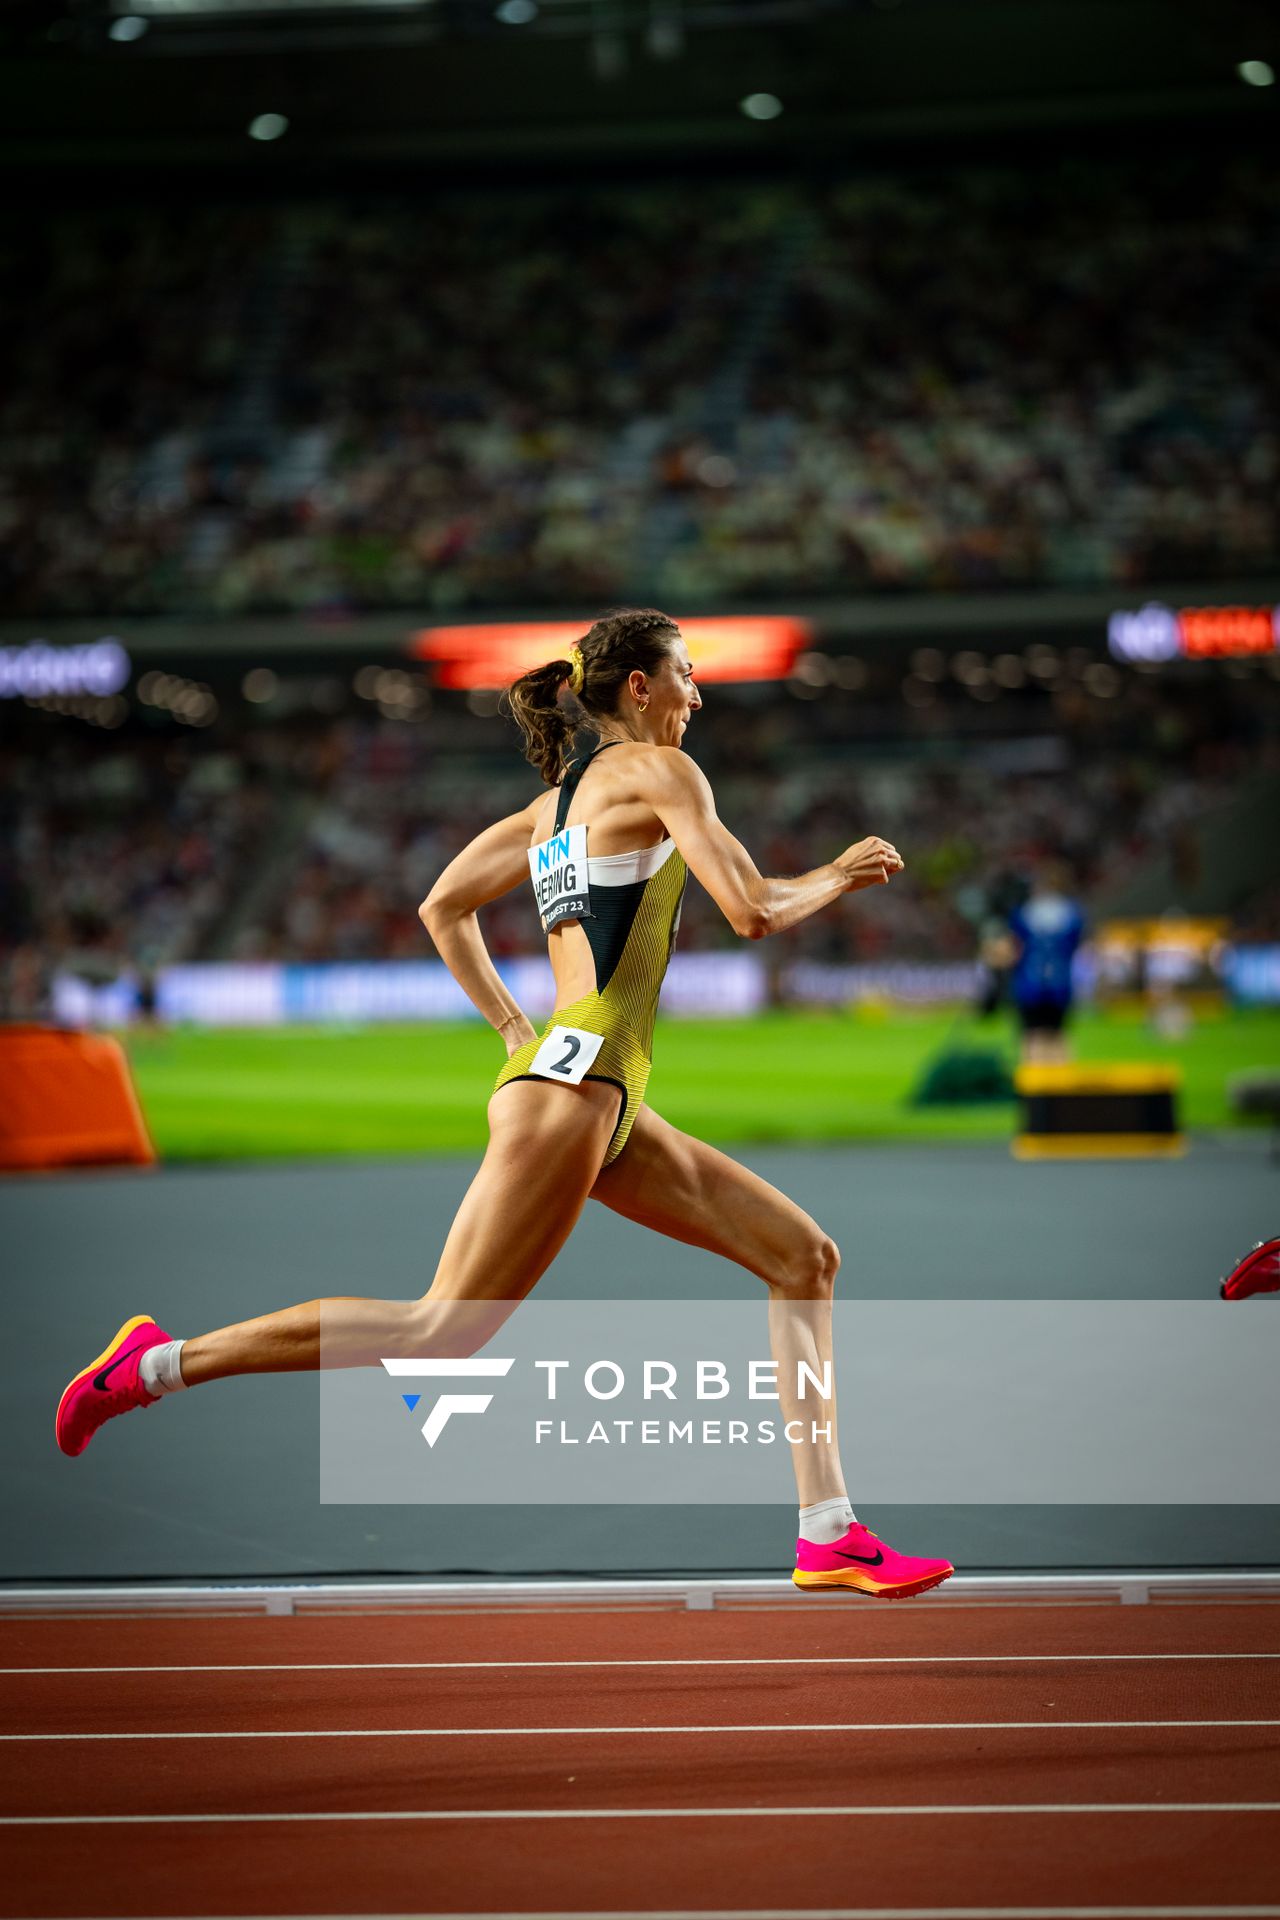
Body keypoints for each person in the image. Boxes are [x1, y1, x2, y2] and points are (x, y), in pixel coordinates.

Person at [56, 608, 952, 1601]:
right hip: (572, 1094)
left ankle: (828, 1531)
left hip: (594, 1091)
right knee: (438, 1332)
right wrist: (835, 873)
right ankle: (152, 1365)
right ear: (639, 690)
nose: (698, 696)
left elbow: (441, 905)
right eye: (685, 677)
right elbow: (750, 908)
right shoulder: (661, 773)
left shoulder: (549, 809)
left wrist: (513, 1029)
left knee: (801, 1257)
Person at [1008, 862, 1085, 1065]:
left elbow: (1014, 947)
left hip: (1030, 982)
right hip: (1060, 983)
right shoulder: (1072, 913)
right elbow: (1075, 943)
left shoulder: (1025, 913)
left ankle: (1036, 1090)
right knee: (1057, 1034)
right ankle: (1059, 1090)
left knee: (1032, 1036)